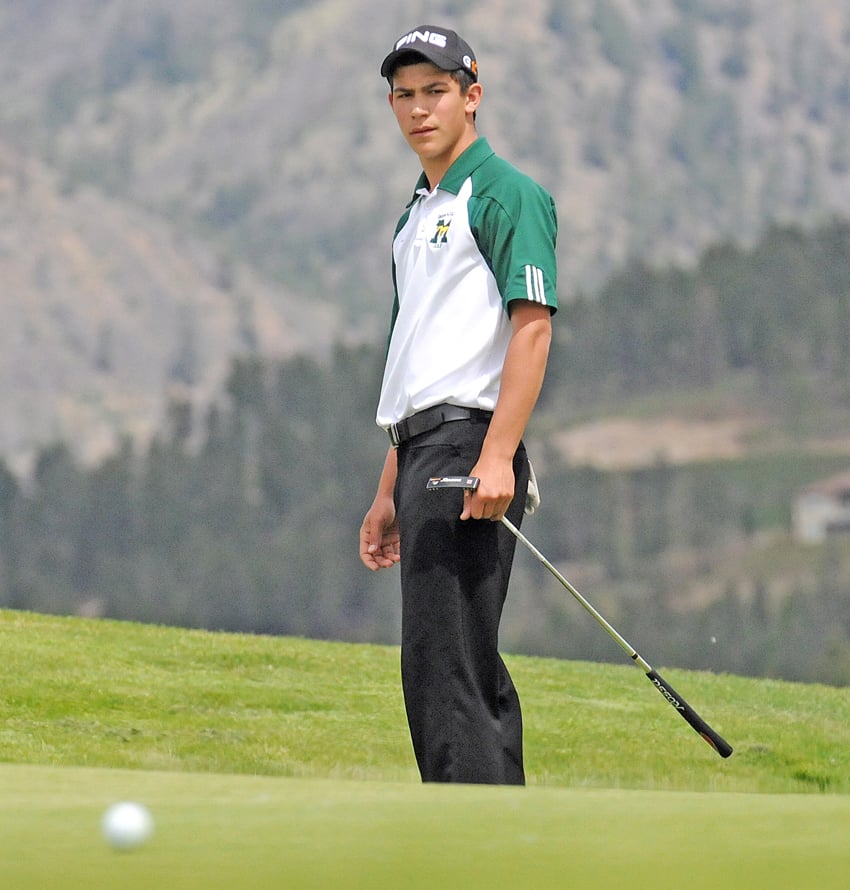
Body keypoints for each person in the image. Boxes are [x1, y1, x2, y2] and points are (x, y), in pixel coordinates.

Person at [359, 25, 558, 785]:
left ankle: (476, 853)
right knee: (438, 663)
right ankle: (487, 845)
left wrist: (499, 453)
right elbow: (416, 365)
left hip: (468, 451)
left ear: (471, 98)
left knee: (452, 669)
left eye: (435, 91)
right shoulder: (414, 216)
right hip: (421, 453)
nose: (418, 109)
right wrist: (386, 491)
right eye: (404, 95)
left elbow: (532, 329)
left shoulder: (505, 193)